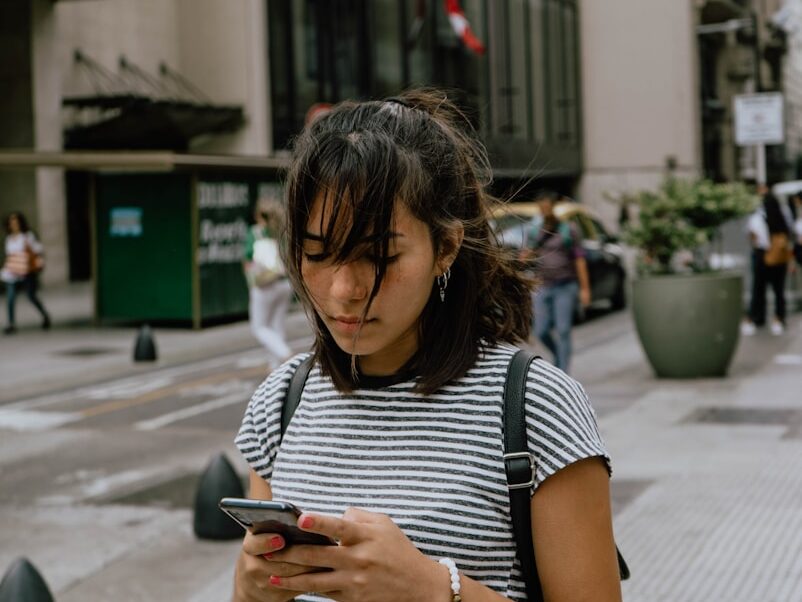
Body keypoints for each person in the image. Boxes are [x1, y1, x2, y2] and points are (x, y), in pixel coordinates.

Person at [233, 90, 621, 602]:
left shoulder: (535, 407)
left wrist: (435, 589)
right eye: (318, 253)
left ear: (446, 247)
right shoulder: (281, 402)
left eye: (379, 256)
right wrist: (248, 588)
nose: (343, 290)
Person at [520, 190, 591, 373]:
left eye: (546, 207)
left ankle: (562, 370)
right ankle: (558, 356)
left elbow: (579, 259)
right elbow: (527, 256)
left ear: (552, 207)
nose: (544, 210)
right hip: (543, 284)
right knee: (541, 331)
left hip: (565, 285)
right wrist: (526, 256)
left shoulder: (568, 229)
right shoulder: (535, 230)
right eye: (540, 208)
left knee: (563, 330)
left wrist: (584, 289)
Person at [243, 198, 293, 366]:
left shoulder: (255, 232)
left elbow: (248, 257)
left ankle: (284, 353)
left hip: (264, 285)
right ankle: (276, 368)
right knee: (277, 326)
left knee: (259, 328)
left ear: (258, 215)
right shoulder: (282, 232)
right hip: (285, 283)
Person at [741, 185, 795, 336]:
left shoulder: (758, 215)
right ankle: (778, 318)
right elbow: (789, 233)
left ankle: (759, 317)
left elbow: (752, 236)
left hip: (762, 254)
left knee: (759, 288)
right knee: (778, 290)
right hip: (777, 255)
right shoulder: (782, 213)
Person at [1, 212, 50, 334]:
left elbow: (38, 249)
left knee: (31, 296)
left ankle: (45, 316)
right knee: (10, 297)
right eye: (11, 223)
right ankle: (11, 323)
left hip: (27, 271)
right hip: (13, 272)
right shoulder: (9, 239)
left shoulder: (28, 236)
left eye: (16, 222)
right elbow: (9, 255)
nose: (14, 225)